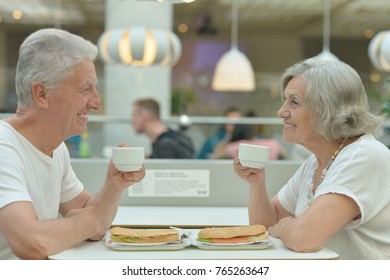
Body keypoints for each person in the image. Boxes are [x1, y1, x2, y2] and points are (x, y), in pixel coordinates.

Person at [0, 29, 146, 260]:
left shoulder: (55, 148)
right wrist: (88, 220)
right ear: (42, 94)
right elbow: (32, 243)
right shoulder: (3, 147)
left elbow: (92, 218)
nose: (96, 103)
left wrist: (113, 186)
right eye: (85, 89)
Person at [233, 56, 390, 259]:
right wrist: (257, 184)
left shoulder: (363, 156)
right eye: (285, 100)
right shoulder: (318, 161)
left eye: (294, 102)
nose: (282, 112)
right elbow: (266, 227)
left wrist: (287, 228)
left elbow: (304, 239)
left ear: (327, 108)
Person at [213, 123, 287, 160]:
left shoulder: (234, 147)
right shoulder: (273, 143)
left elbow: (216, 155)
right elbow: (285, 155)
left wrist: (228, 137)